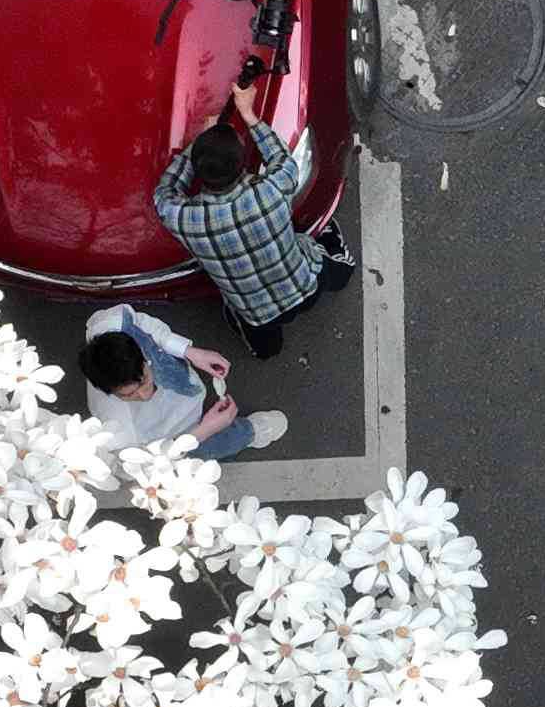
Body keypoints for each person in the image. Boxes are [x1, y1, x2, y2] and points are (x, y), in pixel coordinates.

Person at [151, 108, 356, 360]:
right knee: (340, 272)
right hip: (306, 284)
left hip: (256, 314)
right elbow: (282, 159)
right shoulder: (271, 190)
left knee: (265, 349)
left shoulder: (185, 219)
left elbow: (164, 193)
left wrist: (198, 145)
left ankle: (266, 349)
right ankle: (335, 248)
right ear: (243, 164)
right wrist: (249, 115)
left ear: (200, 172)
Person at [74, 303, 285, 461]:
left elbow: (145, 325)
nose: (145, 394)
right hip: (164, 438)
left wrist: (189, 351)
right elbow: (141, 466)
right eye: (128, 394)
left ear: (142, 356)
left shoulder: (112, 322)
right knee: (206, 448)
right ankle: (249, 433)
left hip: (175, 387)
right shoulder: (114, 428)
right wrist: (203, 431)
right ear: (108, 392)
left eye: (144, 380)